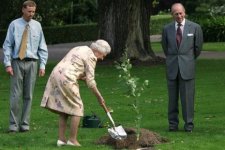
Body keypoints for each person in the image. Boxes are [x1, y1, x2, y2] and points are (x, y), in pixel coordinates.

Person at [40, 39, 111, 147]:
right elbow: (91, 82)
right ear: (98, 51)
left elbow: (74, 65)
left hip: (56, 74)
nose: (102, 58)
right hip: (67, 78)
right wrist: (99, 97)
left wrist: (82, 77)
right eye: (103, 55)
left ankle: (61, 139)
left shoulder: (80, 48)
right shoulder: (91, 57)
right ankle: (72, 140)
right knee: (78, 107)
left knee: (64, 109)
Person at [2, 0, 48, 132]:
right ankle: (13, 125)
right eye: (29, 11)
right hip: (17, 62)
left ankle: (25, 125)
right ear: (23, 10)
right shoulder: (14, 25)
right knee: (16, 95)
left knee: (29, 95)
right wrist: (7, 64)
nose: (31, 14)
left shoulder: (37, 26)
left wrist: (43, 65)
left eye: (33, 11)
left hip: (33, 63)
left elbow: (42, 46)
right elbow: (7, 45)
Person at [161, 3, 203, 132]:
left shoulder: (195, 27)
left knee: (187, 99)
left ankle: (188, 125)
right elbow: (165, 47)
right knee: (172, 99)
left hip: (187, 68)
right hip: (172, 67)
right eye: (176, 14)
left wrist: (188, 59)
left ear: (184, 12)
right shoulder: (166, 29)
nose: (179, 16)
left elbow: (198, 48)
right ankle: (173, 125)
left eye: (181, 13)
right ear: (172, 15)